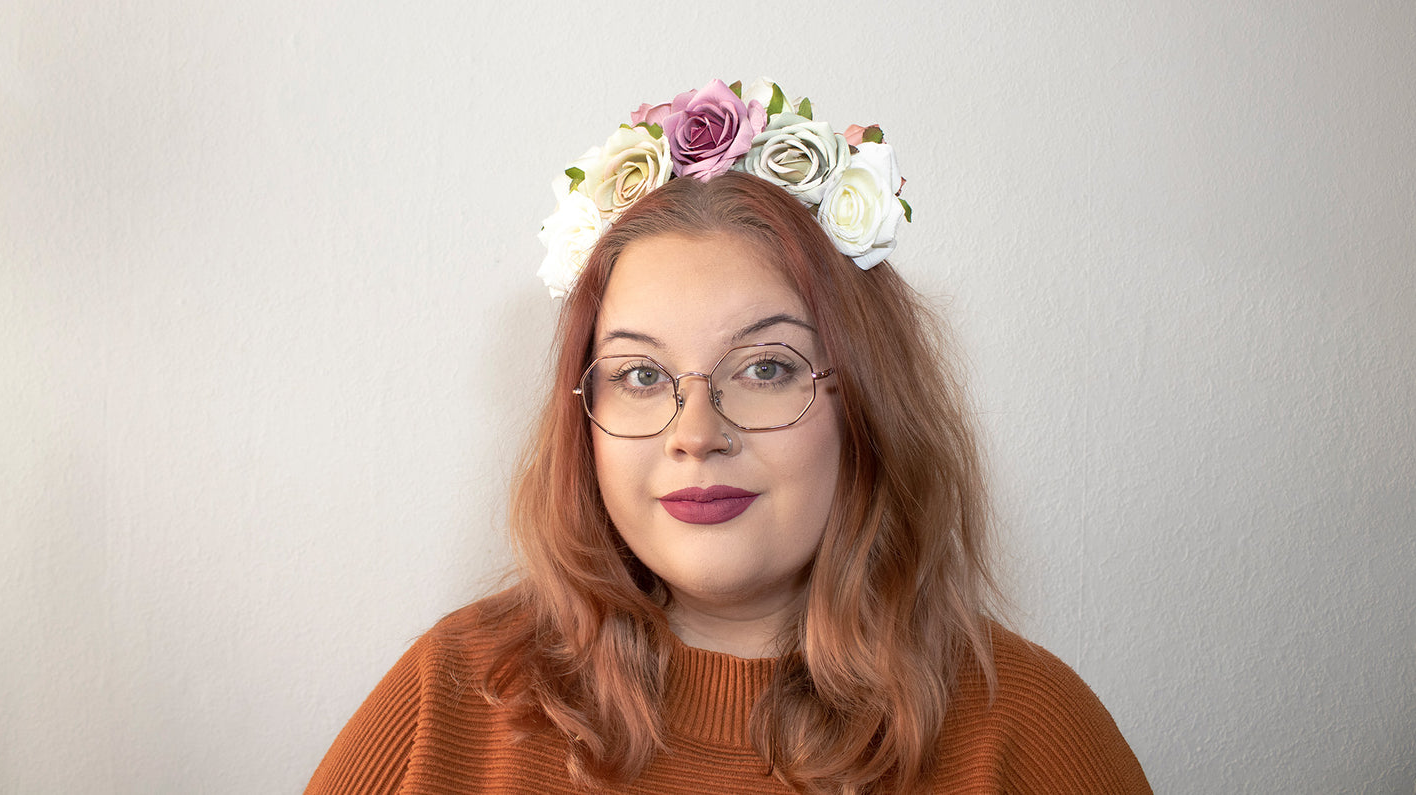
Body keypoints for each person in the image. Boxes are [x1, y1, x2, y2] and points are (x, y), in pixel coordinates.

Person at [304, 79, 1152, 794]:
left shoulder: (1027, 733)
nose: (696, 435)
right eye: (641, 375)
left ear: (866, 404)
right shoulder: (447, 696)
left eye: (767, 367)